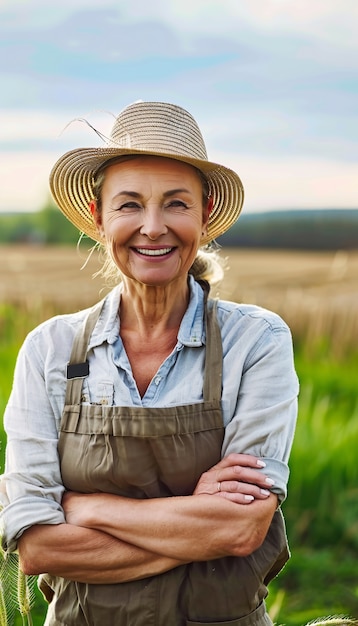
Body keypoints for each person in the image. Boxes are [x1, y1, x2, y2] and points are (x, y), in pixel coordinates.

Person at [0, 101, 299, 626]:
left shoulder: (257, 341)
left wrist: (85, 507)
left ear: (205, 217)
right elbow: (39, 550)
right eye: (130, 205)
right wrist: (197, 525)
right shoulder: (48, 349)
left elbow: (240, 530)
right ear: (99, 217)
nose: (153, 227)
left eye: (177, 204)